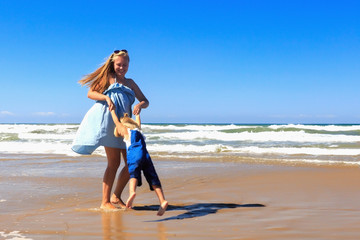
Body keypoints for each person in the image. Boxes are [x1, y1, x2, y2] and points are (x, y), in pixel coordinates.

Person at [72, 49, 149, 210]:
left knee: (132, 163)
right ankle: (105, 202)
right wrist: (106, 97)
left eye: (125, 65)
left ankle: (116, 196)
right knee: (113, 163)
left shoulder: (131, 82)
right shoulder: (108, 78)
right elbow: (90, 93)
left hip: (125, 125)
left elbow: (145, 100)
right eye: (119, 65)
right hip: (110, 123)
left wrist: (140, 104)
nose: (122, 68)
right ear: (113, 64)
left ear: (129, 65)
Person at [110, 110, 168, 216]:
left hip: (134, 155)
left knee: (133, 174)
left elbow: (116, 122)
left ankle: (132, 192)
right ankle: (162, 200)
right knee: (153, 178)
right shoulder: (138, 130)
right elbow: (138, 122)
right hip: (146, 156)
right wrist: (137, 115)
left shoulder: (125, 130)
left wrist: (112, 111)